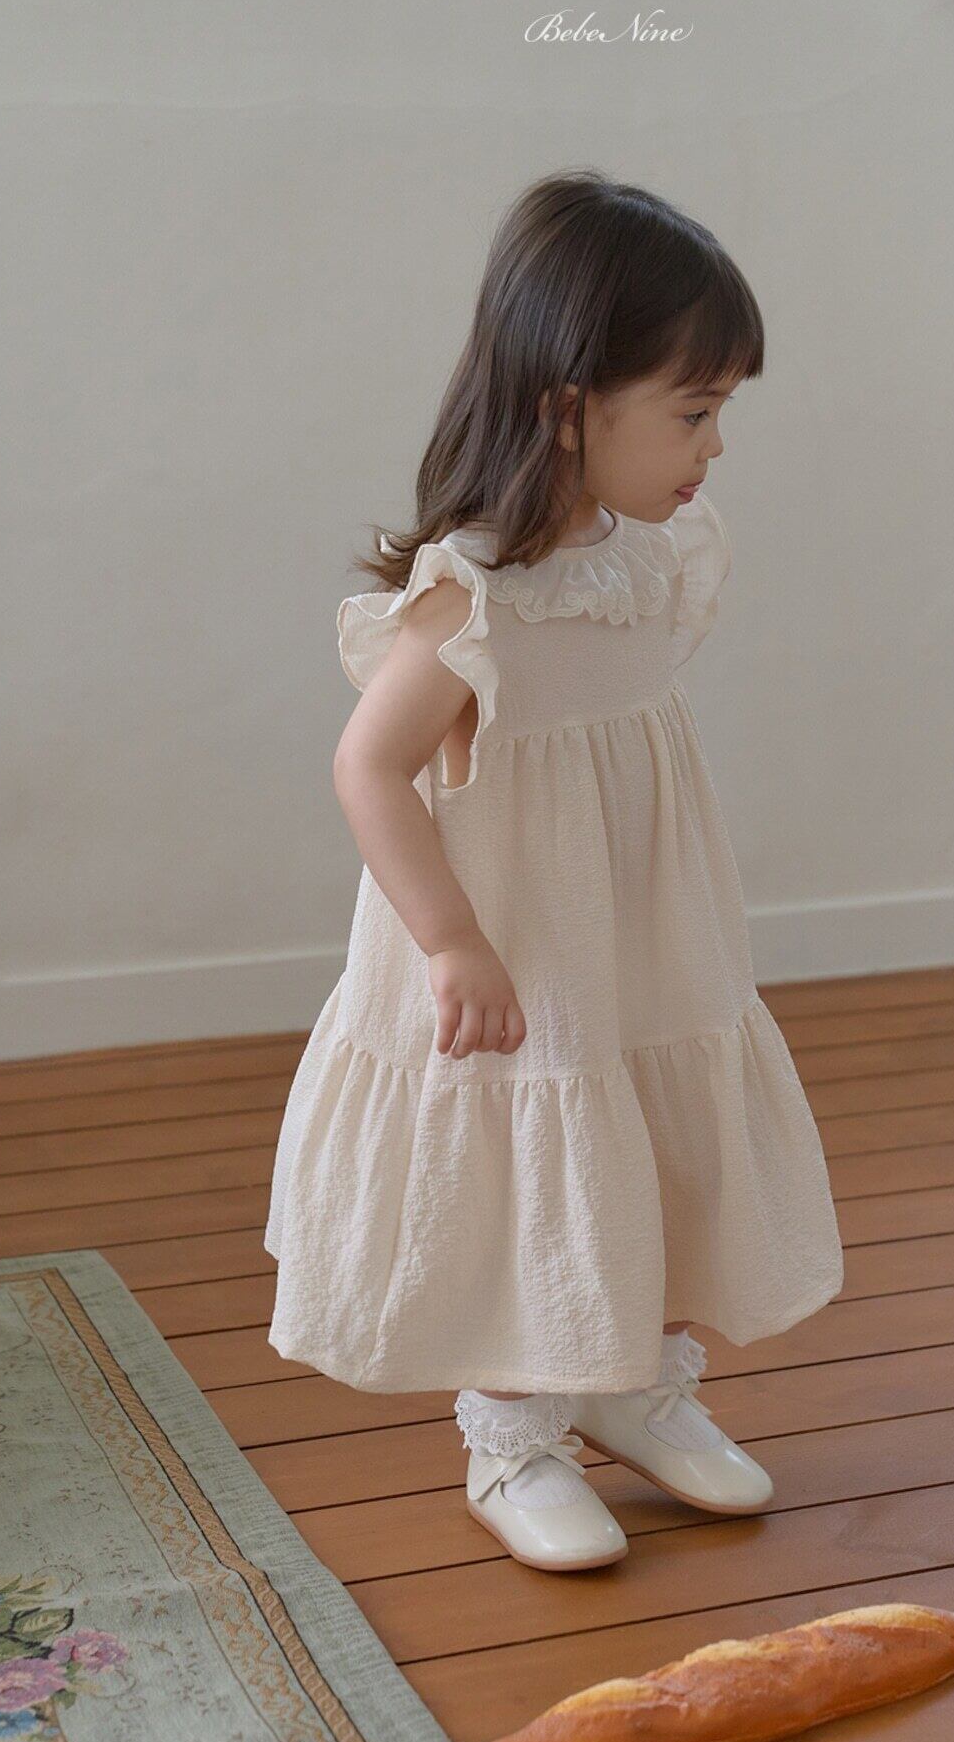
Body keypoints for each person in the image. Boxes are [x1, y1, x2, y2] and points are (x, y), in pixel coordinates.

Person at [263, 168, 845, 1574]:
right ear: (567, 406)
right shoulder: (475, 592)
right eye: (693, 413)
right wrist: (452, 940)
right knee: (532, 1154)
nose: (715, 446)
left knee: (652, 1128)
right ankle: (515, 1432)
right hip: (515, 933)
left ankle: (630, 1382)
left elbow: (618, 732)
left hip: (640, 921)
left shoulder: (654, 553)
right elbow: (369, 767)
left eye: (721, 411)